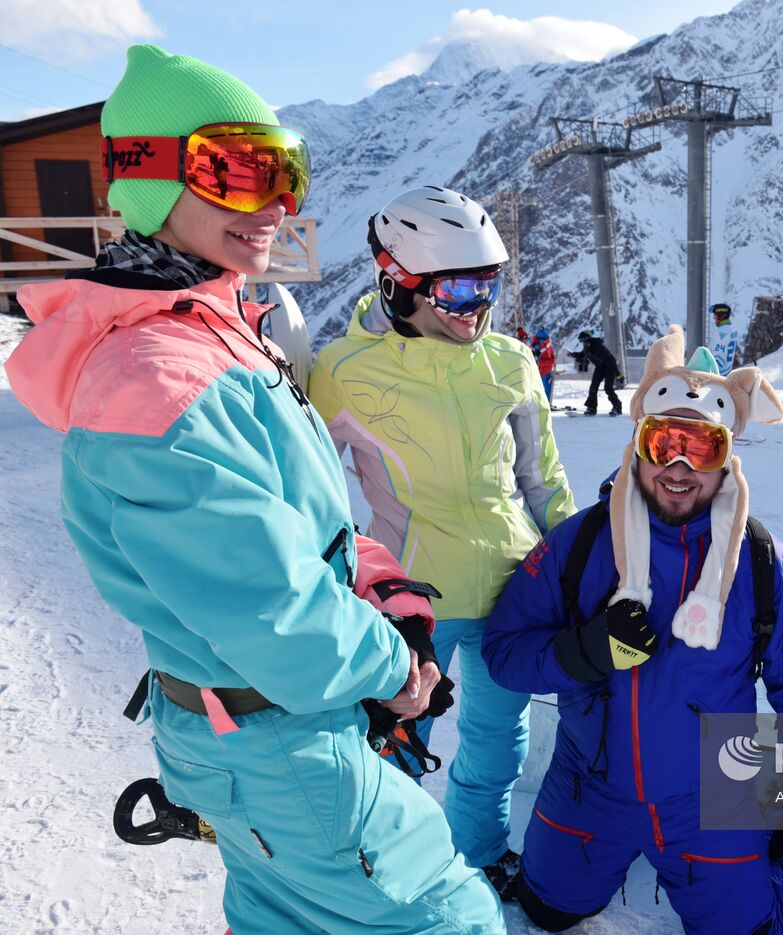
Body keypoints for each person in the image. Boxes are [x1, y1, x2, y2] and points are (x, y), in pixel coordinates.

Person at [4, 46, 504, 933]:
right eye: (238, 169)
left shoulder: (220, 331)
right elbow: (277, 615)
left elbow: (304, 524)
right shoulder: (155, 379)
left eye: (289, 172)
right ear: (149, 177)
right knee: (450, 915)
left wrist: (384, 590)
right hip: (281, 738)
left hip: (270, 736)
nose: (277, 203)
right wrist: (395, 668)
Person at [482, 327, 783, 934]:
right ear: (638, 441)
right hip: (590, 787)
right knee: (546, 911)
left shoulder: (758, 561)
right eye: (664, 441)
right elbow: (504, 652)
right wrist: (582, 653)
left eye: (701, 448)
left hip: (709, 797)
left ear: (727, 456)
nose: (679, 467)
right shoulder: (579, 545)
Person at [309, 186, 576, 895]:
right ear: (398, 282)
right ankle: (395, 875)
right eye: (458, 288)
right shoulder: (341, 373)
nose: (477, 306)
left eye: (488, 284)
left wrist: (576, 565)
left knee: (496, 747)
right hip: (413, 600)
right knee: (398, 743)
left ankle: (479, 857)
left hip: (513, 593)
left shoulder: (511, 362)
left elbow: (541, 478)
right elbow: (307, 490)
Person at [579, 329, 623, 415]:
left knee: (608, 388)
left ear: (587, 339)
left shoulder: (599, 347)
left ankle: (617, 407)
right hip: (600, 367)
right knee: (593, 387)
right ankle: (592, 408)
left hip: (609, 367)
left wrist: (618, 374)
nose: (582, 343)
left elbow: (611, 360)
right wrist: (572, 354)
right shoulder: (587, 347)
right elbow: (583, 354)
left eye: (582, 340)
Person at [536, 327, 558, 403]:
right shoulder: (538, 347)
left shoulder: (548, 346)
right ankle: (543, 403)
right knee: (542, 388)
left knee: (547, 388)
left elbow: (552, 356)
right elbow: (538, 361)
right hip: (542, 372)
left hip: (547, 371)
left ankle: (546, 403)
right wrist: (551, 361)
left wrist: (553, 360)